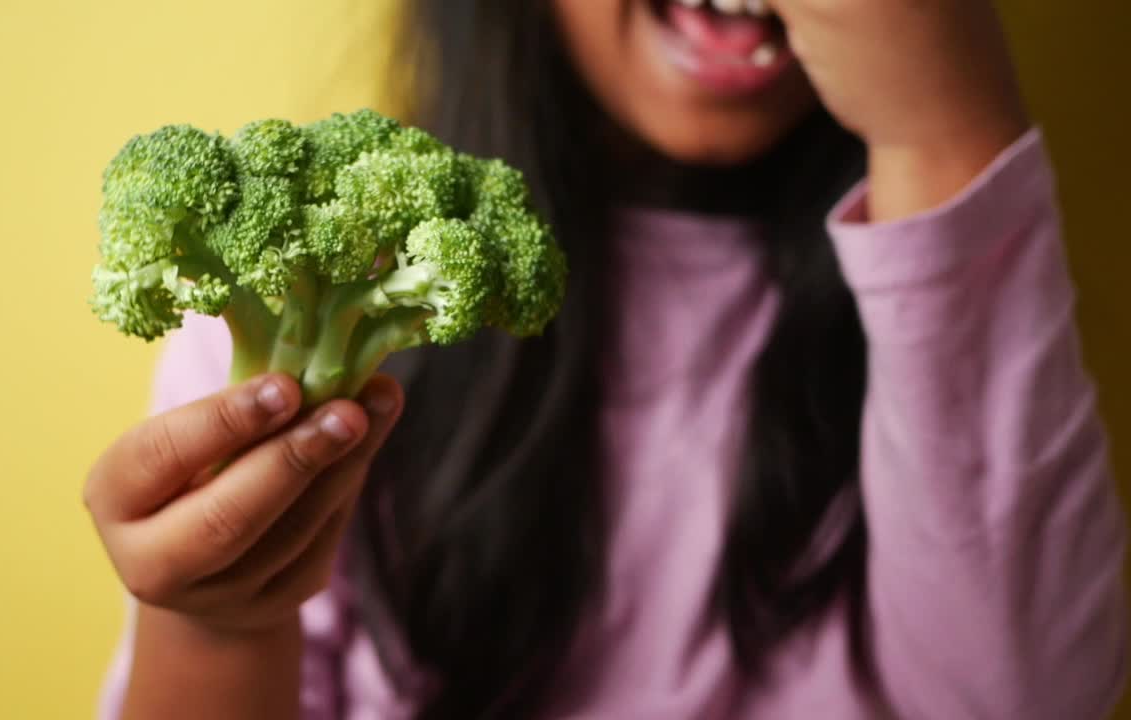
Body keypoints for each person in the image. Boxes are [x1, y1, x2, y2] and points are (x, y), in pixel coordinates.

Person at [86, 0, 1129, 717]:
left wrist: (945, 132)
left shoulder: (956, 281)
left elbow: (1029, 697)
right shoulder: (309, 283)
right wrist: (216, 621)